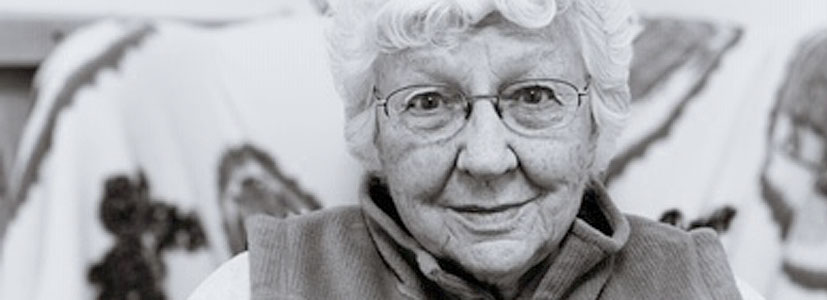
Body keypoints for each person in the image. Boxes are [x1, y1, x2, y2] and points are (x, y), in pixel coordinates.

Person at [191, 0, 758, 298]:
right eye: (429, 102)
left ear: (593, 122)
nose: (487, 159)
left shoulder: (709, 292)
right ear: (375, 130)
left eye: (535, 95)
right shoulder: (254, 292)